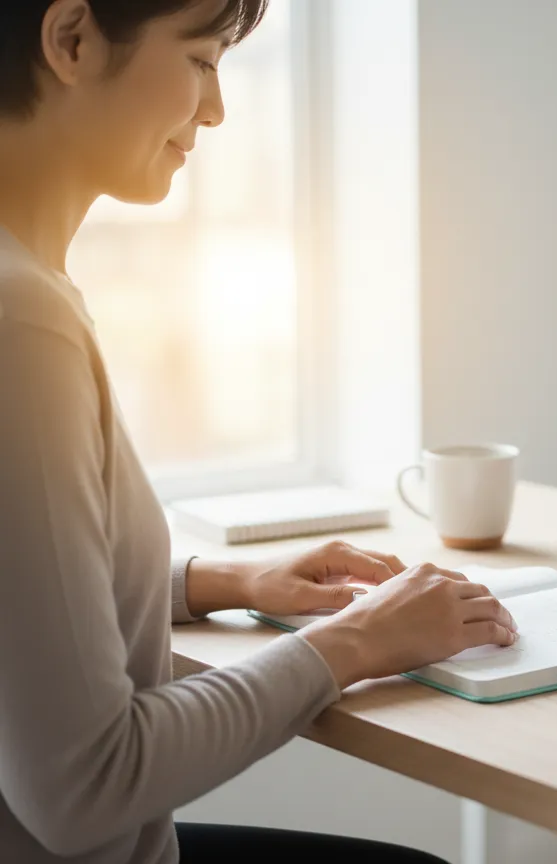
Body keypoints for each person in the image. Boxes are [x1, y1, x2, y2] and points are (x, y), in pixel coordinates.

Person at [0, 1, 519, 861]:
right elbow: (84, 784)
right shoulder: (22, 324)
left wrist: (221, 581)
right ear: (73, 40)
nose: (216, 109)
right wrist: (358, 639)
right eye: (202, 61)